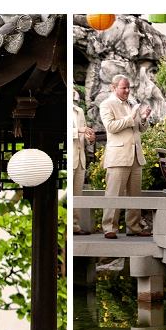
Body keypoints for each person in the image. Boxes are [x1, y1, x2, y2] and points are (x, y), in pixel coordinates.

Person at [99, 74, 152, 239]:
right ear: (113, 88)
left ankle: (134, 227)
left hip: (136, 154)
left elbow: (140, 129)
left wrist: (143, 118)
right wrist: (131, 117)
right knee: (114, 193)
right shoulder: (106, 104)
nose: (127, 91)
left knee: (135, 194)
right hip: (118, 155)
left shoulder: (132, 103)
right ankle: (109, 228)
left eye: (129, 87)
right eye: (124, 88)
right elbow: (111, 127)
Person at [72, 91, 96, 235]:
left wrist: (90, 138)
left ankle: (75, 226)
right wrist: (78, 131)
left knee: (78, 194)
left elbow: (84, 134)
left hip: (80, 157)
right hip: (72, 157)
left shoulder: (79, 111)